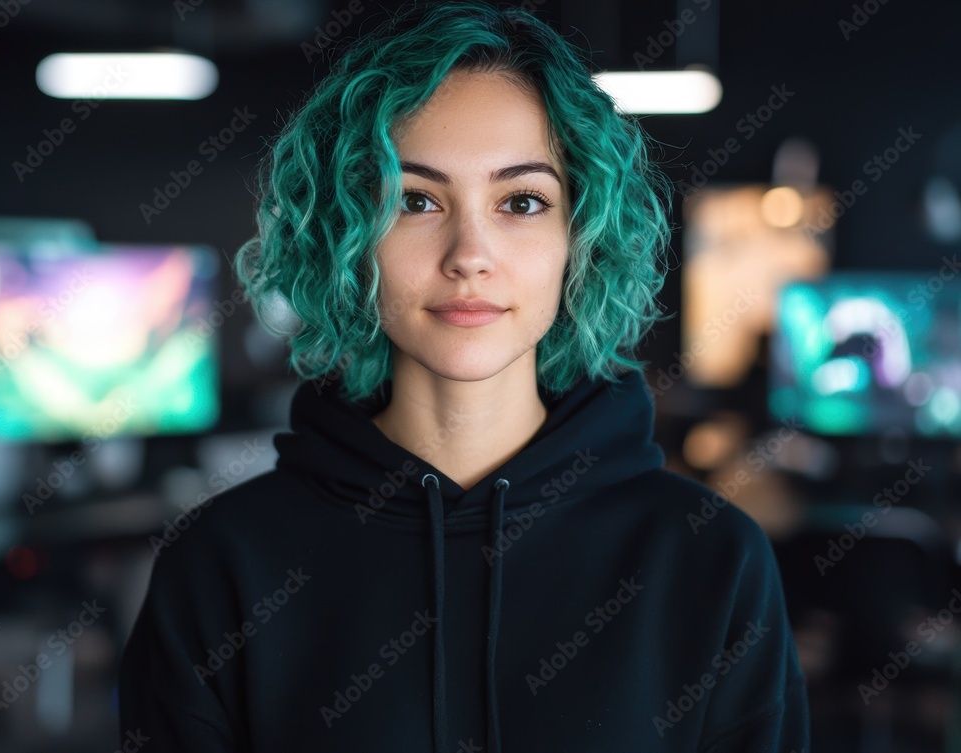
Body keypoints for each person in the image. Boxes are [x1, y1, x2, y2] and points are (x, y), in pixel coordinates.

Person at [117, 1, 811, 751]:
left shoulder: (710, 560)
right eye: (415, 199)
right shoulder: (220, 566)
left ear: (580, 237)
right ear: (348, 233)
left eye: (521, 201)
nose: (469, 253)